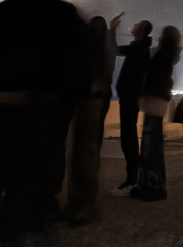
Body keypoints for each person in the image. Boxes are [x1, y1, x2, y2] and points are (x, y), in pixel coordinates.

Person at [0, 0, 89, 245]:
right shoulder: (62, 13)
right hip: (41, 110)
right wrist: (65, 98)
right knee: (31, 175)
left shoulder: (5, 11)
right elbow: (82, 57)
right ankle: (24, 227)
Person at [63, 15, 117, 226]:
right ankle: (78, 203)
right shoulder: (102, 46)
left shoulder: (97, 48)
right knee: (81, 152)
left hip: (91, 101)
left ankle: (86, 204)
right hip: (89, 100)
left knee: (84, 152)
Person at [131, 26, 182, 201]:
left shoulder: (164, 53)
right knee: (152, 145)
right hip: (157, 101)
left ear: (166, 37)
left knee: (151, 146)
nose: (158, 36)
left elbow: (155, 74)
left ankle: (153, 187)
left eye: (161, 34)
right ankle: (152, 185)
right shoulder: (168, 53)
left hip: (155, 100)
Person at [110, 18, 153, 196]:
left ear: (141, 30)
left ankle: (132, 180)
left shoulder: (138, 48)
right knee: (129, 137)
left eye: (136, 25)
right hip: (131, 97)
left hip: (129, 97)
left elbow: (114, 50)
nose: (133, 26)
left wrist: (112, 30)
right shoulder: (141, 48)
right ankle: (134, 178)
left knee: (128, 139)